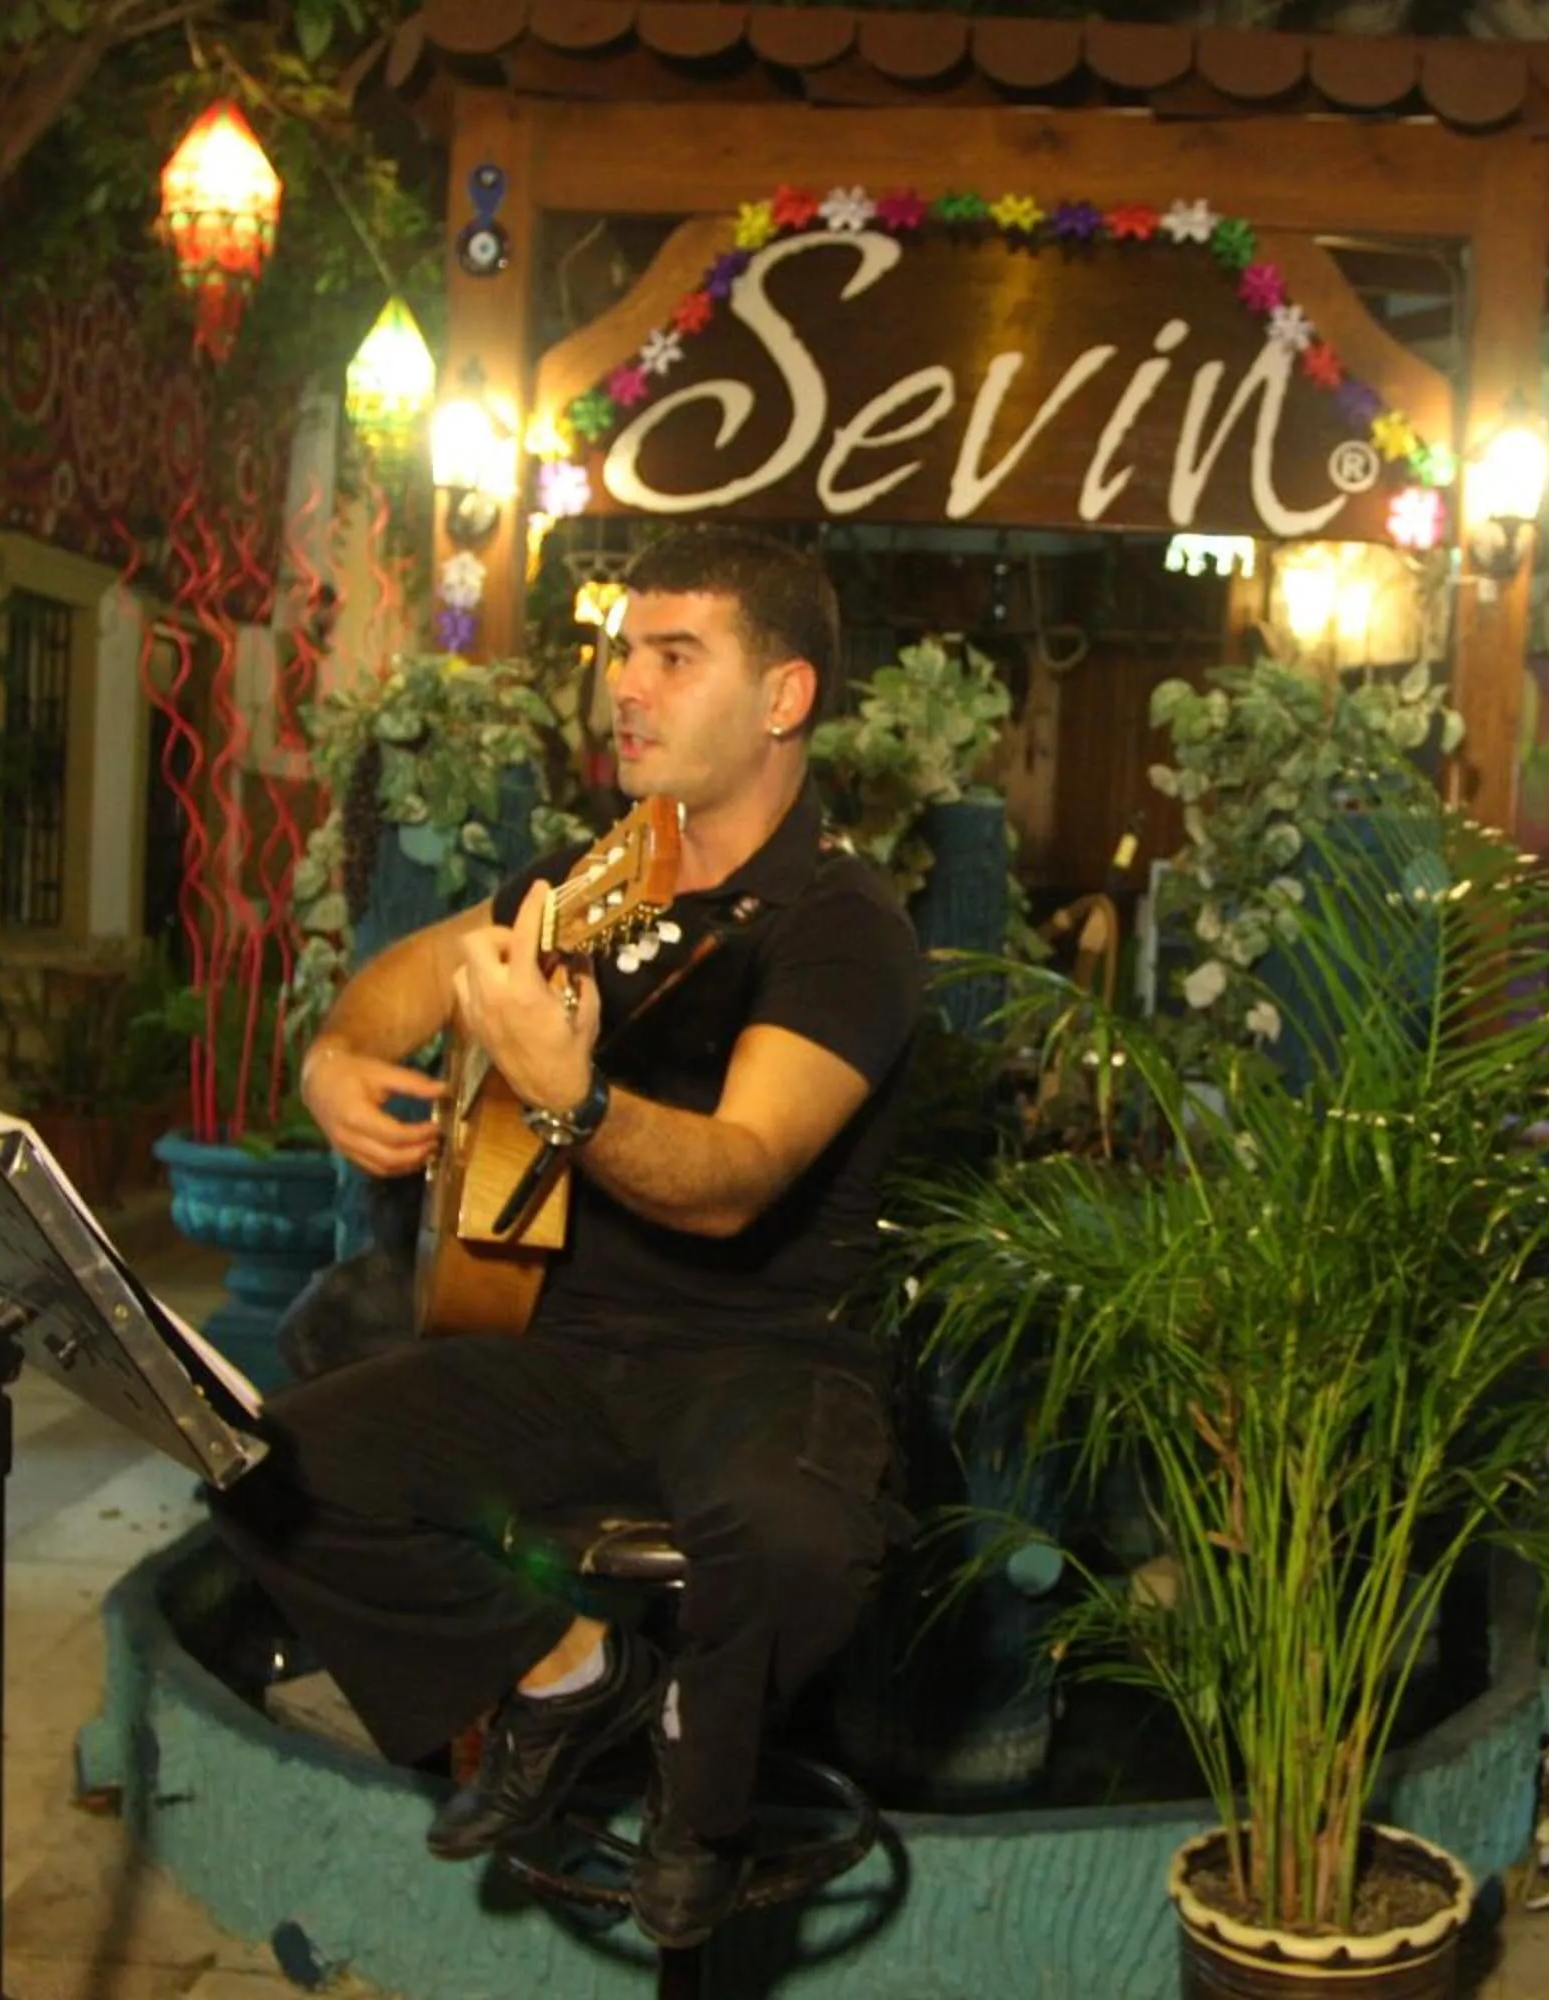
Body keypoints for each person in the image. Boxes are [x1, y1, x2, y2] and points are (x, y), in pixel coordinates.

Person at [208, 527, 922, 1949]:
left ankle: (701, 1779)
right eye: (621, 652)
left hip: (768, 1360)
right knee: (266, 1467)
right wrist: (337, 1056)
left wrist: (570, 1098)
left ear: (783, 697)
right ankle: (566, 1673)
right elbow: (418, 976)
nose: (625, 688)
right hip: (568, 1352)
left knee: (798, 1538)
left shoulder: (841, 926)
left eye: (675, 656)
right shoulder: (601, 874)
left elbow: (733, 1178)